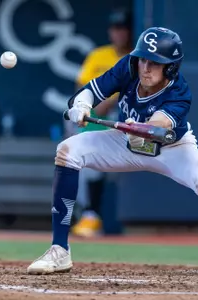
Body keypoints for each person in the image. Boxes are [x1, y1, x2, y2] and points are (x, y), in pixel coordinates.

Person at [27, 27, 198, 276]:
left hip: (172, 149)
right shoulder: (129, 66)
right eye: (143, 59)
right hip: (126, 141)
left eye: (155, 63)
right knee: (68, 150)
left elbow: (159, 125)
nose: (145, 67)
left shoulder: (179, 91)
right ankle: (59, 249)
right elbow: (91, 89)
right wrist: (82, 105)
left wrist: (142, 127)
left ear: (171, 68)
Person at [71, 8, 133, 238]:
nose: (118, 34)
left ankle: (97, 215)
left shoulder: (136, 59)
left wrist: (109, 101)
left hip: (123, 119)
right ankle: (89, 214)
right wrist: (88, 104)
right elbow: (80, 86)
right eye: (115, 29)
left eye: (123, 29)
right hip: (96, 119)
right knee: (84, 159)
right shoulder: (98, 55)